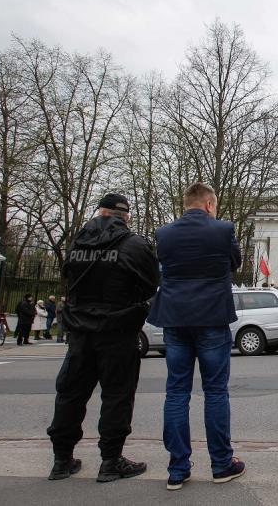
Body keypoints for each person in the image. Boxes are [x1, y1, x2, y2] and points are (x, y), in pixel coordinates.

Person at [47, 193, 159, 483]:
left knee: (70, 394)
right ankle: (110, 461)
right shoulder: (134, 244)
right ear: (126, 216)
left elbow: (69, 279)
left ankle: (61, 460)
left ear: (100, 212)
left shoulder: (77, 242)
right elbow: (150, 285)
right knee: (117, 396)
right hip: (118, 330)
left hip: (80, 332)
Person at [148, 183, 245, 490]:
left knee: (176, 392)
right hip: (212, 318)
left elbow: (162, 269)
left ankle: (177, 468)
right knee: (215, 391)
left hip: (175, 319)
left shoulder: (163, 234)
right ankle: (221, 464)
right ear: (208, 205)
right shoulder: (222, 230)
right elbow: (235, 262)